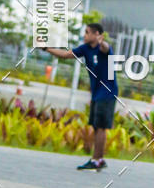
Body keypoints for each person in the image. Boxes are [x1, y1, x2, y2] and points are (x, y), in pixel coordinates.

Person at [43, 22, 116, 171]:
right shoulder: (85, 49)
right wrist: (47, 48)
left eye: (88, 32)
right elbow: (65, 55)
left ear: (96, 35)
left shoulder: (104, 49)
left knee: (101, 127)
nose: (85, 35)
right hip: (96, 93)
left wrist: (101, 41)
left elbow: (105, 48)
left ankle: (97, 160)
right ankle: (97, 160)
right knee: (96, 127)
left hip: (107, 92)